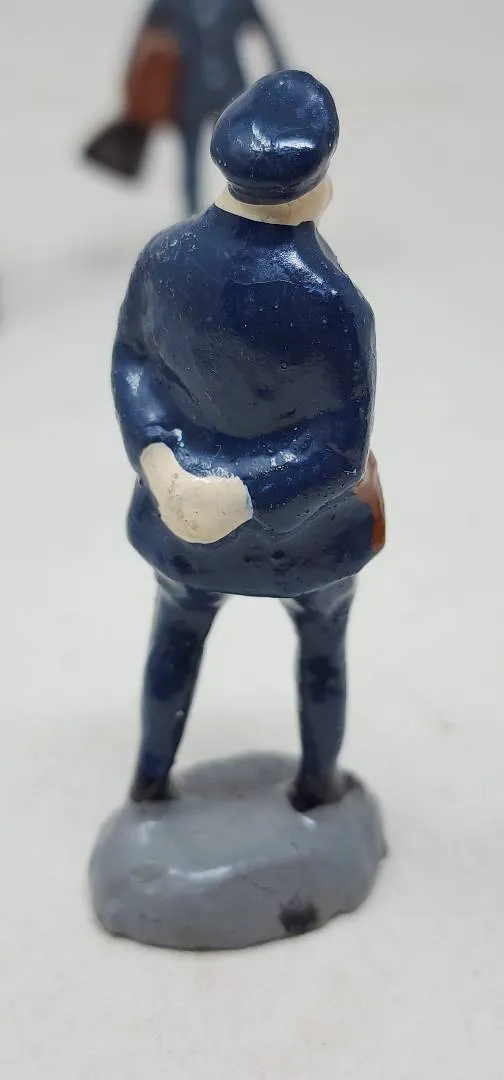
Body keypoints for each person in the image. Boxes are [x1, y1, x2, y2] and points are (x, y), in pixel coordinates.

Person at [112, 70, 386, 811]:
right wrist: (243, 495)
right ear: (316, 183)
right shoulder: (333, 302)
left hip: (181, 516)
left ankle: (150, 781)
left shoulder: (165, 255)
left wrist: (160, 459)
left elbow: (133, 362)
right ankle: (318, 785)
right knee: (322, 646)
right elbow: (340, 450)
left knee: (175, 638)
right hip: (307, 535)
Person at [83, 0, 285, 213]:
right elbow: (143, 39)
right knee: (191, 160)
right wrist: (136, 87)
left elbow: (266, 33)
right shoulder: (171, 3)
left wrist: (280, 75)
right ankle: (192, 216)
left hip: (231, 91)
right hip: (187, 92)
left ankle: (251, 211)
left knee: (243, 153)